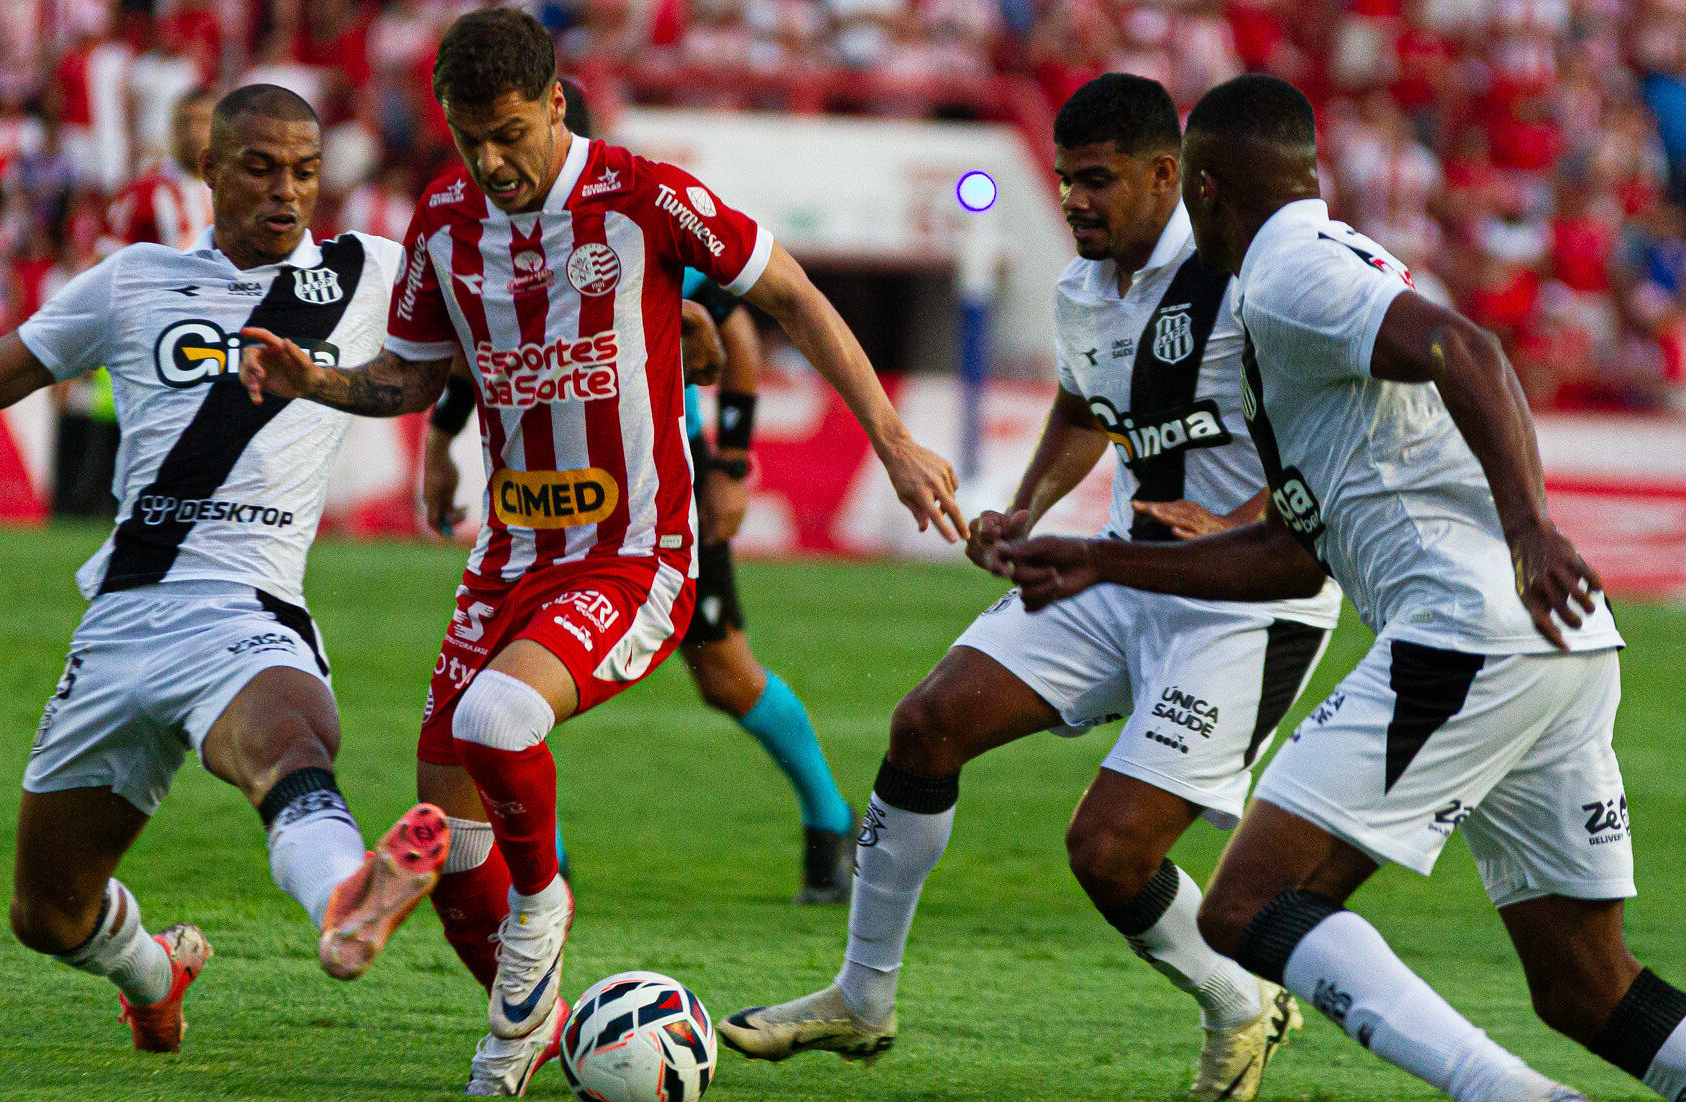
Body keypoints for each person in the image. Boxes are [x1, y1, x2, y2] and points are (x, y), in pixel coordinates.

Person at [239, 10, 965, 1096]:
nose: (491, 162)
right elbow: (413, 376)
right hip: (507, 560)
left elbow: (788, 297)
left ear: (556, 108)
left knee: (500, 722)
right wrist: (321, 383)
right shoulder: (443, 218)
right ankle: (530, 1028)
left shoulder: (643, 196)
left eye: (511, 134)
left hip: (632, 555)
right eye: (469, 138)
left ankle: (548, 912)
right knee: (456, 851)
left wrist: (894, 439)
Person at [999, 73, 1686, 1102]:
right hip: (1558, 649)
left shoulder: (1287, 276)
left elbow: (1469, 347)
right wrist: (1103, 558)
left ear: (1204, 188)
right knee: (1583, 984)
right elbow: (1287, 553)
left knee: (1245, 904)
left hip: (1467, 631)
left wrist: (1529, 527)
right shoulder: (1308, 284)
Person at [718, 73, 1337, 1101]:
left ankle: (1240, 1000)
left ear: (1162, 174)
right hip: (1119, 568)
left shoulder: (1246, 276)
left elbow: (1332, 426)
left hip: (1245, 602)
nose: (1074, 202)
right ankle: (859, 998)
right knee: (926, 724)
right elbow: (1086, 400)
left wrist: (1233, 521)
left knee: (1106, 851)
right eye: (1064, 182)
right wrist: (1027, 508)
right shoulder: (1083, 286)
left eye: (1096, 181)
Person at [0, 84, 448, 1056]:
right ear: (211, 170)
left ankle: (346, 893)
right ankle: (152, 971)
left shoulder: (369, 274)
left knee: (291, 742)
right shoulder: (131, 280)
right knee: (47, 909)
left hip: (247, 606)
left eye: (304, 171)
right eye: (261, 167)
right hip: (123, 619)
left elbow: (458, 356)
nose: (286, 192)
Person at [419, 79, 858, 908]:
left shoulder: (629, 216)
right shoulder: (488, 240)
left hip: (663, 487)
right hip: (552, 505)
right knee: (516, 696)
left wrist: (730, 462)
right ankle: (543, 876)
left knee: (725, 674)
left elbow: (734, 324)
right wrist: (441, 444)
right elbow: (470, 351)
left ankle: (830, 823)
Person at [106, 88, 218, 250]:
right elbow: (114, 258)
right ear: (172, 128)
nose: (193, 132)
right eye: (185, 122)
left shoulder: (234, 190)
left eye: (203, 121)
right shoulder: (144, 193)